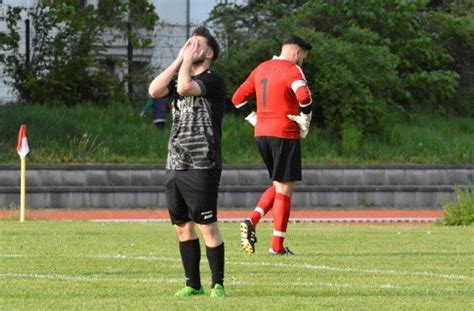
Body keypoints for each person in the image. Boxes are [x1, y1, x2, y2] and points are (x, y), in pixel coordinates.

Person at [148, 26, 226, 297]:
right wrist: (179, 59)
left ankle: (218, 283)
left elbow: (184, 87)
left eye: (197, 45)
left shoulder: (213, 79)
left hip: (203, 163)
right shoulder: (181, 70)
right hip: (175, 162)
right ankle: (193, 284)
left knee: (206, 225)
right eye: (189, 43)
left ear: (209, 53)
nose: (191, 47)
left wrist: (186, 62)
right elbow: (155, 90)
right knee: (182, 226)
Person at [231, 35, 313, 256]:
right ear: (297, 52)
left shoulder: (261, 68)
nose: (302, 62)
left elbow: (237, 98)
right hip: (284, 132)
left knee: (279, 184)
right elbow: (304, 97)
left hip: (262, 134)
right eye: (303, 57)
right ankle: (276, 247)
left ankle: (252, 220)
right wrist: (305, 118)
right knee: (285, 188)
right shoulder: (291, 69)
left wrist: (255, 119)